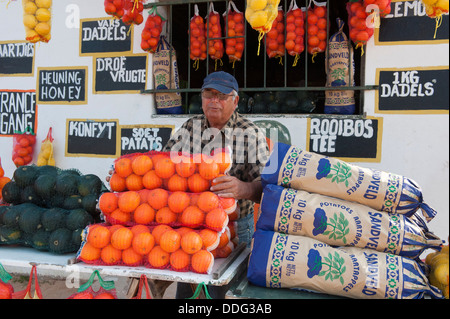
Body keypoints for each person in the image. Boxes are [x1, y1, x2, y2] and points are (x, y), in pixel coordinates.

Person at [162, 71, 270, 298]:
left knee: (222, 291)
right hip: (190, 223)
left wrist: (244, 188)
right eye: (209, 94)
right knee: (187, 283)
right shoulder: (189, 128)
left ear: (235, 100)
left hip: (234, 227)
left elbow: (269, 188)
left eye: (222, 96)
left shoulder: (251, 133)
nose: (214, 101)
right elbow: (162, 168)